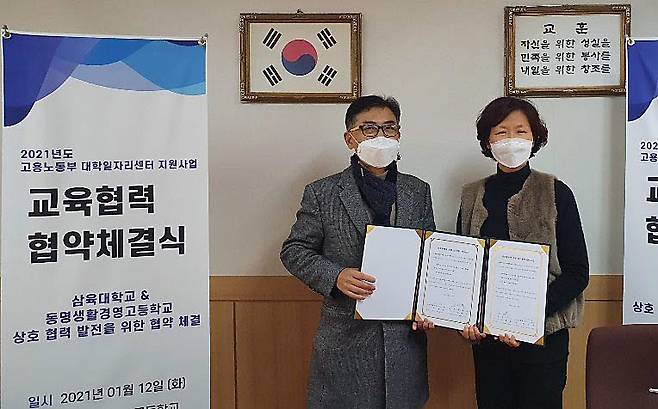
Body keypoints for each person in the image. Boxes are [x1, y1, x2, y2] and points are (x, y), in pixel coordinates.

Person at [280, 95, 435, 408]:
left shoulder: (417, 190)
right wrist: (336, 276)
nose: (380, 136)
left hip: (404, 340)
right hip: (345, 339)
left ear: (399, 135)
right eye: (369, 128)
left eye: (389, 128)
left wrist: (429, 305)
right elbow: (294, 250)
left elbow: (430, 256)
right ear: (350, 139)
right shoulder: (322, 192)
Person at [458, 96, 589, 409]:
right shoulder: (471, 195)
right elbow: (464, 266)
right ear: (487, 141)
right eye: (501, 132)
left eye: (521, 131)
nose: (511, 140)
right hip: (488, 342)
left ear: (535, 138)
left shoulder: (556, 191)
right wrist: (467, 317)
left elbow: (577, 272)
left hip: (544, 337)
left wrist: (526, 317)